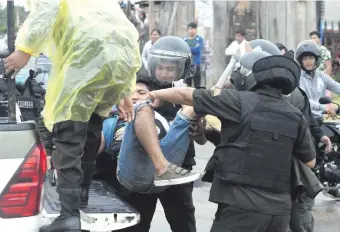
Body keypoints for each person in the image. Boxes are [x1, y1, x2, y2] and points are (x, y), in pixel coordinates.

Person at [4, 1, 142, 232]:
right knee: (91, 123)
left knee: (68, 132)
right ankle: (82, 194)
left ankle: (69, 214)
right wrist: (125, 89)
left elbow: (46, 9)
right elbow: (125, 32)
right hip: (121, 58)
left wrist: (24, 50)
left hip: (85, 53)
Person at [149, 49, 316, 232]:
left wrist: (155, 95)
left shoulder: (237, 101)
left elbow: (185, 95)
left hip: (240, 209)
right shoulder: (295, 116)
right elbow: (309, 161)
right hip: (279, 214)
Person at [114, 36, 200, 232]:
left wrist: (199, 130)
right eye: (160, 67)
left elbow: (201, 137)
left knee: (183, 224)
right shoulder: (143, 91)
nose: (164, 73)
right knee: (134, 224)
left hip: (178, 172)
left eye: (170, 69)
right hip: (142, 168)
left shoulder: (187, 96)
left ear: (182, 69)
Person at [297, 40, 340, 122]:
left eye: (311, 58)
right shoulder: (298, 78)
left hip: (319, 120)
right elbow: (304, 101)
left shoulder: (322, 76)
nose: (308, 61)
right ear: (300, 61)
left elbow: (336, 86)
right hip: (303, 122)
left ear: (316, 59)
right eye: (305, 58)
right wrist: (324, 107)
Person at [184, 22, 204, 88]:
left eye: (193, 29)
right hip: (187, 66)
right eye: (190, 29)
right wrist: (193, 48)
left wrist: (188, 48)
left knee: (197, 86)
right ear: (188, 30)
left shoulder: (199, 39)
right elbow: (183, 50)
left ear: (196, 30)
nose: (192, 31)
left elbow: (197, 50)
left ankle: (197, 98)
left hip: (196, 65)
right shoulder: (185, 40)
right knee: (187, 85)